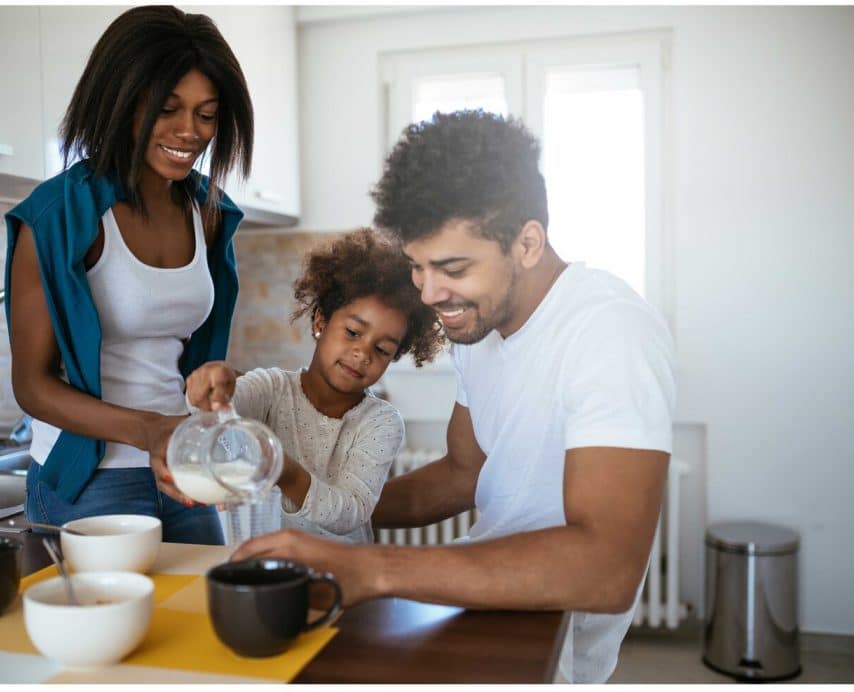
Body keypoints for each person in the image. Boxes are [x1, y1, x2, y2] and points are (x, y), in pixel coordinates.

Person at [232, 110, 677, 683]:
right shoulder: (479, 330)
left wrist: (373, 567)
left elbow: (607, 569)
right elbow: (462, 473)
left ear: (527, 243)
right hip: (477, 604)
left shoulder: (610, 333)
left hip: (549, 635)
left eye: (453, 268)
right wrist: (327, 509)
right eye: (418, 267)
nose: (430, 293)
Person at [4, 6, 254, 544]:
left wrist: (210, 389)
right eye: (168, 109)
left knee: (201, 618)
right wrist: (149, 430)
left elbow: (188, 353)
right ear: (120, 99)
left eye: (207, 114)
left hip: (180, 466)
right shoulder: (59, 217)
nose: (190, 132)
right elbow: (31, 385)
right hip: (90, 478)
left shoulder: (209, 212)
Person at [184, 229, 445, 544]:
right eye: (352, 332)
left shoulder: (381, 423)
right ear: (321, 320)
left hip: (344, 576)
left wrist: (280, 468)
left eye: (382, 350)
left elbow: (351, 511)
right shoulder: (271, 389)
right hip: (269, 570)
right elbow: (211, 410)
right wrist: (212, 385)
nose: (362, 353)